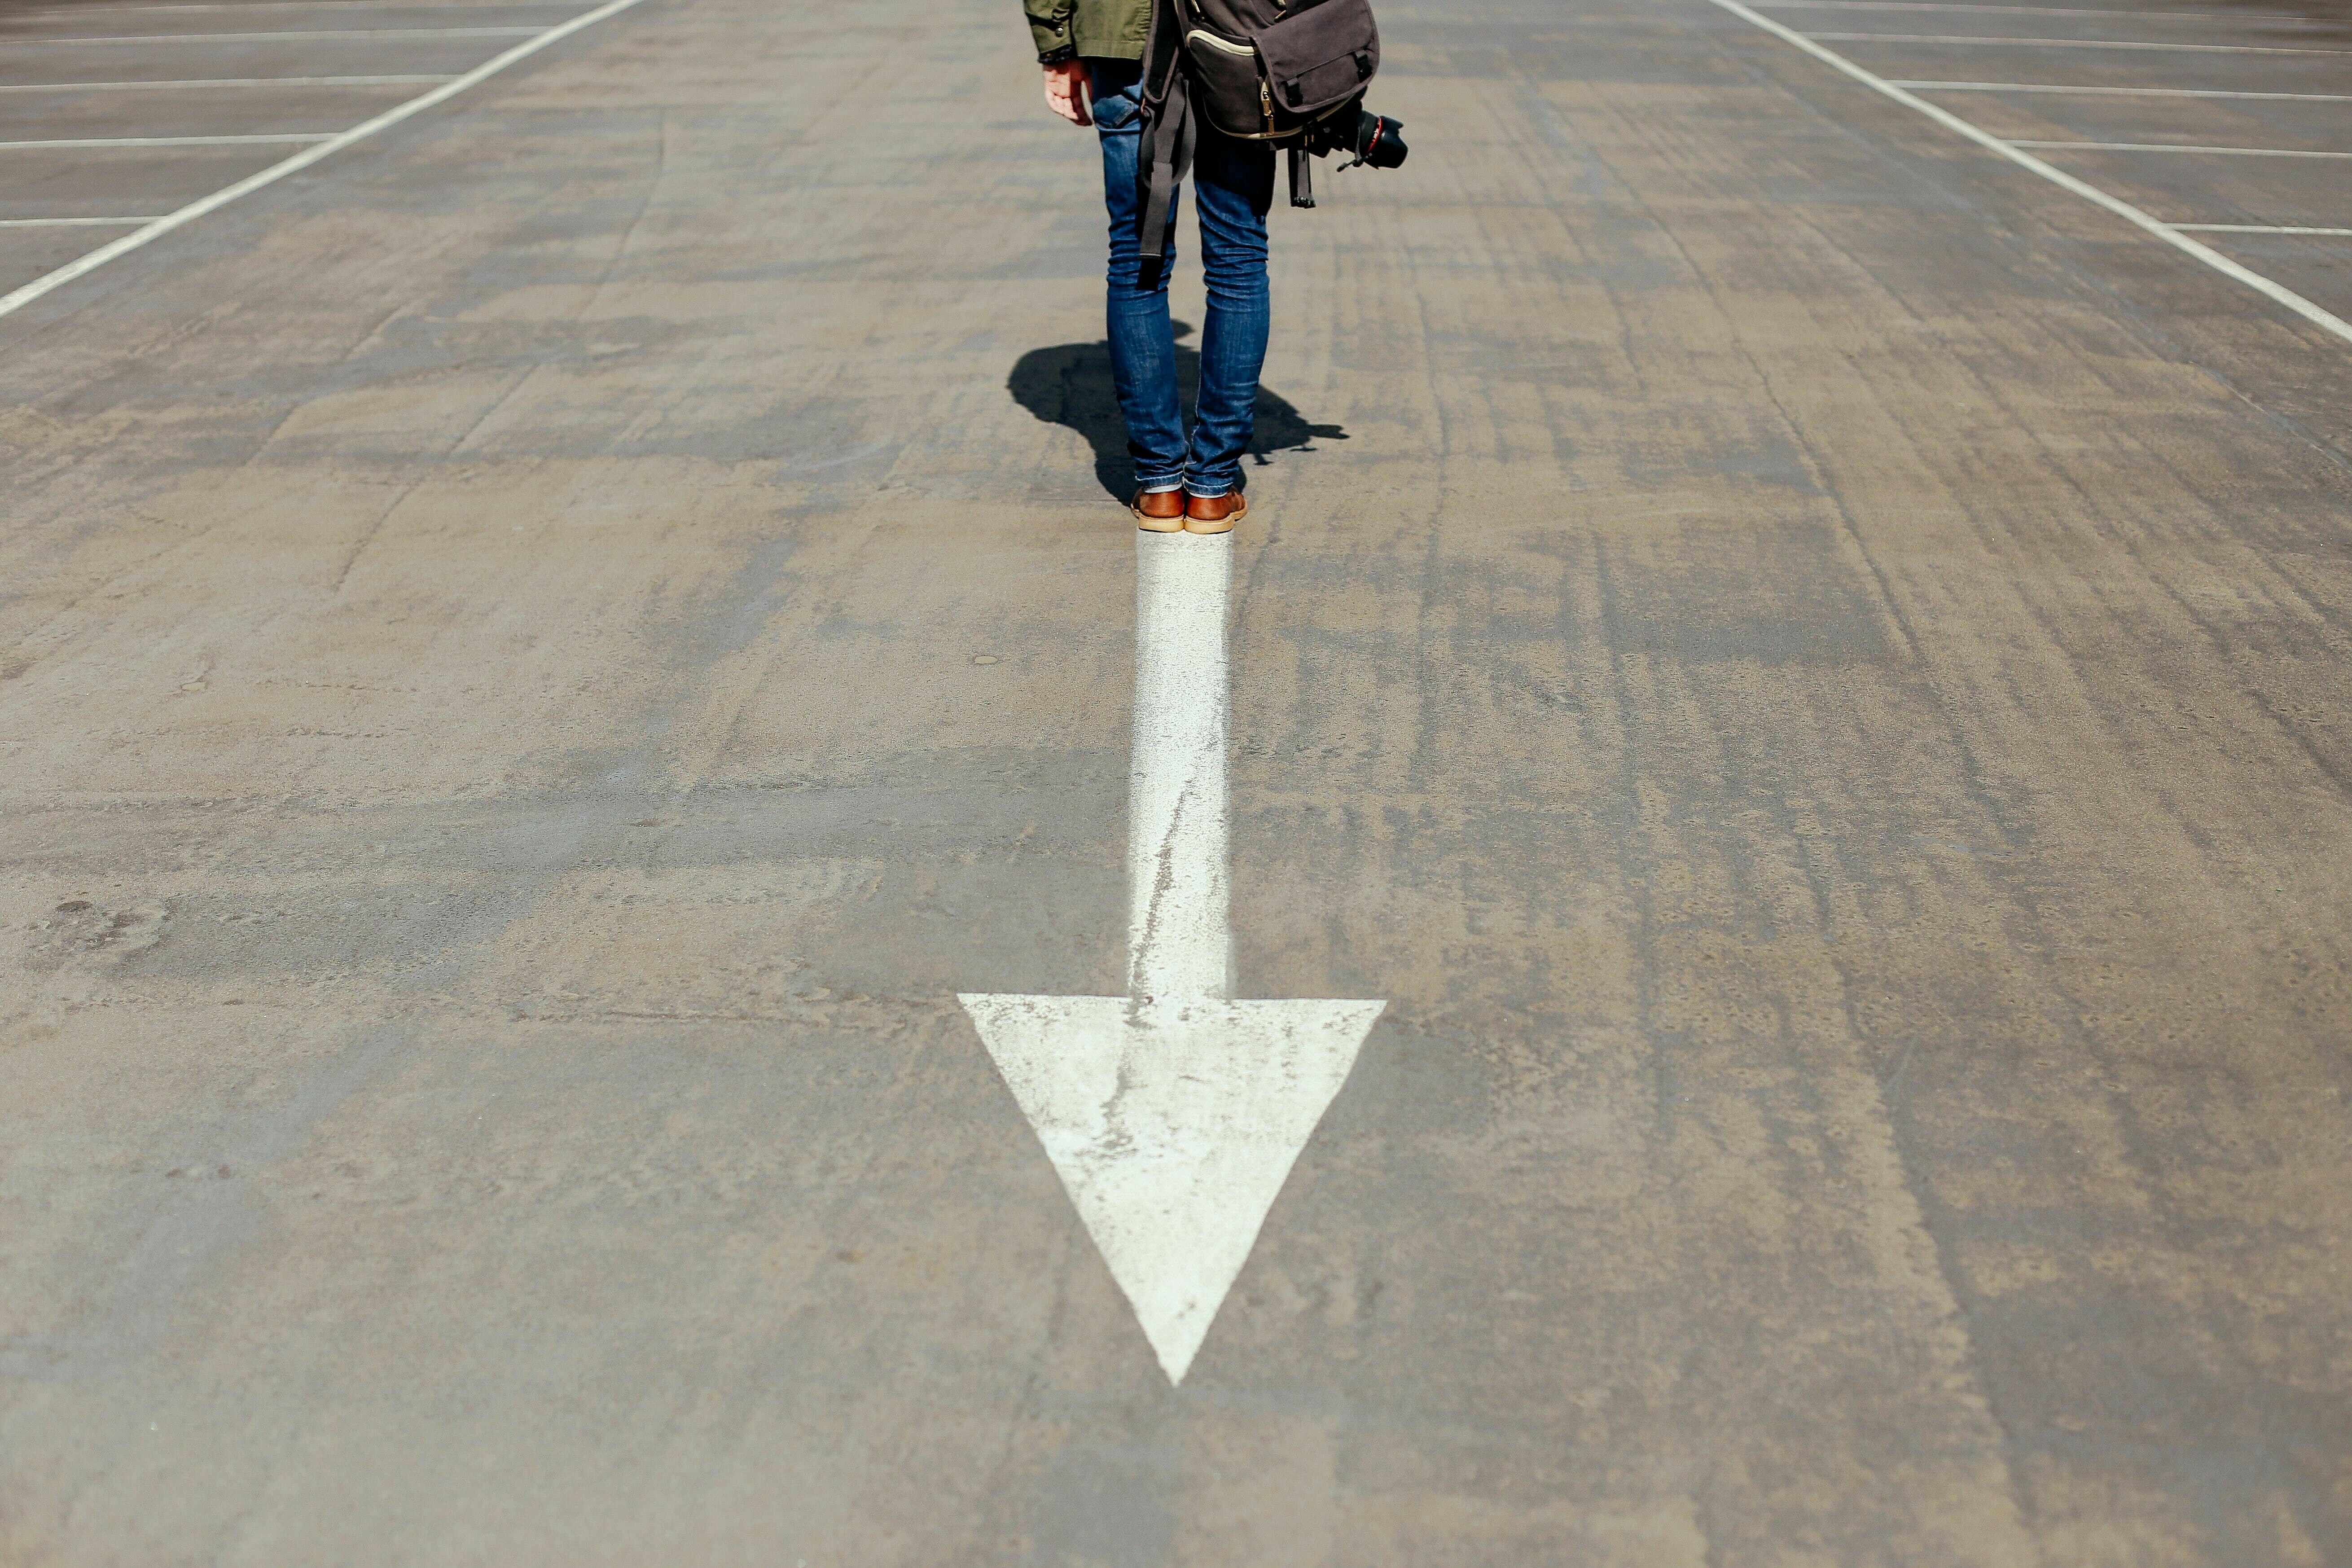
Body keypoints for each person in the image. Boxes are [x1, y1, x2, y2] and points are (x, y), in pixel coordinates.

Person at [1028, 0, 1273, 535]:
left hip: (1120, 41)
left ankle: (1160, 484)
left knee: (1137, 256)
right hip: (1238, 36)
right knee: (1238, 257)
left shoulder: (1038, 359)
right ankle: (1211, 487)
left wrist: (1058, 47)